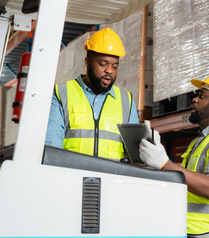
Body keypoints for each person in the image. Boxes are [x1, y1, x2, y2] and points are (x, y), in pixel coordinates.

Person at [139, 72, 209, 238]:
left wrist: (165, 163)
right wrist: (153, 162)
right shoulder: (198, 142)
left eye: (202, 96)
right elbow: (184, 183)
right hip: (192, 231)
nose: (194, 100)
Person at [45, 27, 139, 161]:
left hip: (112, 179)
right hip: (70, 176)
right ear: (87, 62)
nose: (109, 71)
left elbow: (136, 155)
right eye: (103, 64)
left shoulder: (126, 100)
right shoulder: (61, 93)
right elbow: (51, 145)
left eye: (115, 66)